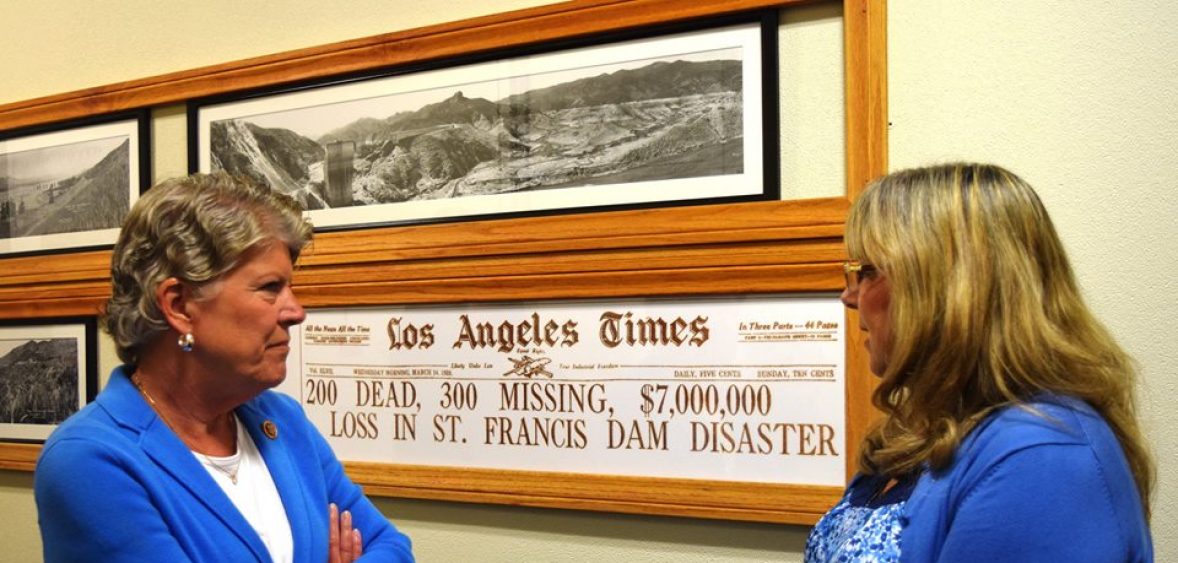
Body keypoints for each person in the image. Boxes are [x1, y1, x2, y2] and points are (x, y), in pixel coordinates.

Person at [34, 173, 414, 562]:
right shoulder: (89, 460)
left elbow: (392, 547)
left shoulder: (282, 420)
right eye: (270, 288)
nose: (296, 312)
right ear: (179, 305)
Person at [806, 163, 1153, 561]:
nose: (849, 297)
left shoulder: (1041, 458)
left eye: (867, 272)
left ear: (949, 287)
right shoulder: (927, 428)